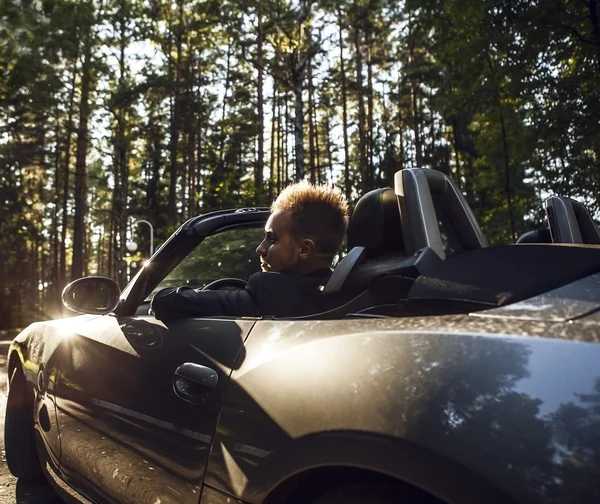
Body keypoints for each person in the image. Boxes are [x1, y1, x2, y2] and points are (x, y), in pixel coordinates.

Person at [151, 181, 349, 322]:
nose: (260, 248)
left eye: (272, 239)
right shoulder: (344, 296)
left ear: (304, 249)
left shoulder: (267, 295)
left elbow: (166, 301)